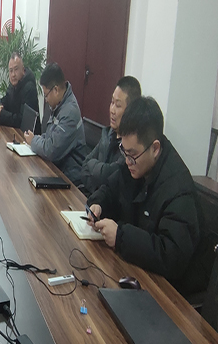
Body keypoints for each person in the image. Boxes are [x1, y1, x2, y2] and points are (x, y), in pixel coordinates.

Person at [86, 96, 204, 296]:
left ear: (155, 148)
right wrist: (98, 203)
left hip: (167, 294)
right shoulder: (136, 164)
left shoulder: (178, 190)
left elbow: (171, 256)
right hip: (135, 272)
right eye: (124, 151)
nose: (127, 161)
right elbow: (111, 188)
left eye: (132, 155)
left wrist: (121, 237)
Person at [23, 63, 89, 185]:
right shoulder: (60, 105)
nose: (46, 100)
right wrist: (37, 139)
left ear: (56, 90)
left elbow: (51, 150)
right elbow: (50, 136)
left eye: (46, 95)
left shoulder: (69, 113)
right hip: (56, 170)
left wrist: (33, 141)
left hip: (70, 179)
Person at [76, 75, 141, 195]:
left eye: (118, 105)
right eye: (112, 102)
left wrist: (95, 172)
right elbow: (85, 166)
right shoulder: (107, 134)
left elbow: (109, 178)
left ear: (131, 110)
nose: (112, 110)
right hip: (91, 197)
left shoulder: (129, 147)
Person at [0, 52, 41, 133]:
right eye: (11, 71)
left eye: (16, 69)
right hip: (16, 132)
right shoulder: (14, 84)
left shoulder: (29, 88)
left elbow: (23, 121)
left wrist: (2, 116)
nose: (13, 74)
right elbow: (7, 99)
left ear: (23, 70)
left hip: (29, 136)